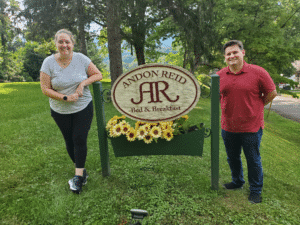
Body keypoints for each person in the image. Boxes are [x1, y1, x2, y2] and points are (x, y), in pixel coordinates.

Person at [40, 29, 103, 194]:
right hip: (59, 109)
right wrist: (64, 97)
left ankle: (78, 177)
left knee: (79, 138)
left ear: (72, 44)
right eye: (60, 42)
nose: (64, 45)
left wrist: (83, 84)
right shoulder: (48, 63)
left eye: (67, 41)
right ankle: (82, 171)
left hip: (83, 106)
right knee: (69, 141)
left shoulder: (81, 59)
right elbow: (45, 88)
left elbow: (98, 74)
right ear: (56, 44)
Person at [217, 40, 277, 203]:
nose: (232, 56)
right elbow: (218, 96)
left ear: (243, 53)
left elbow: (272, 92)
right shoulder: (220, 75)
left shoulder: (258, 72)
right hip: (228, 126)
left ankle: (255, 190)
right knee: (232, 157)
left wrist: (258, 105)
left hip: (251, 127)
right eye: (228, 54)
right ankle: (237, 181)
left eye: (235, 52)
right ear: (225, 57)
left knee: (253, 159)